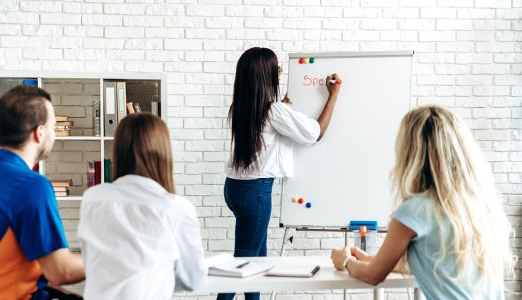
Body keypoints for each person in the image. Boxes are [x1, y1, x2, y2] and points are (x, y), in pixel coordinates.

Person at [331, 105, 516, 299]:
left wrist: (346, 262)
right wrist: (368, 257)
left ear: (411, 153)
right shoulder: (476, 206)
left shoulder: (414, 211)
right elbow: (438, 265)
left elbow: (372, 276)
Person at [217, 47, 342, 300]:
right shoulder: (274, 112)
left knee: (257, 260)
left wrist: (281, 102)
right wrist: (333, 95)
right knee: (243, 263)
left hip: (235, 189)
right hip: (256, 193)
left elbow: (268, 127)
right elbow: (314, 133)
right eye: (275, 69)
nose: (280, 71)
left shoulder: (242, 108)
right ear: (265, 76)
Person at [0, 85, 85, 299]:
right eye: (52, 127)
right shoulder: (30, 185)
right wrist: (112, 256)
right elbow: (61, 271)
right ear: (39, 132)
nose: (54, 134)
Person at [77, 113, 207, 299]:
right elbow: (193, 280)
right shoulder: (176, 209)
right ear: (163, 153)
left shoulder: (92, 198)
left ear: (119, 151)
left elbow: (92, 265)